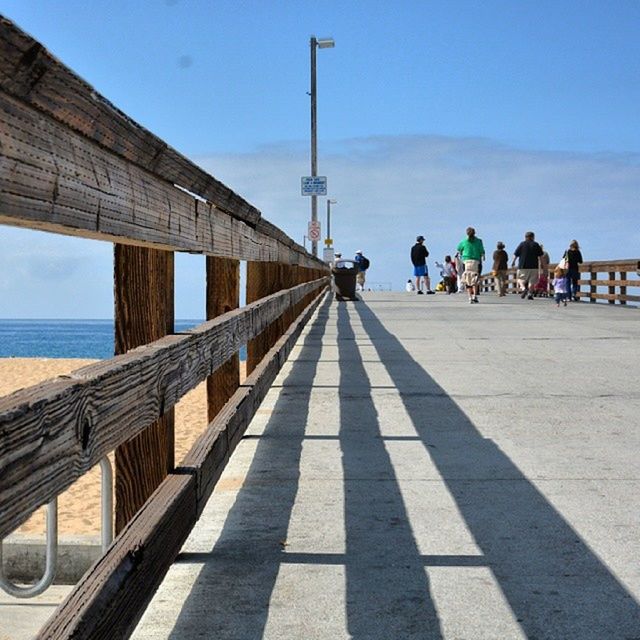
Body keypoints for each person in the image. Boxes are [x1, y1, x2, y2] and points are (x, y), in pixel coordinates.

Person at [456, 227, 485, 303]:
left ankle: (469, 297)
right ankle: (475, 296)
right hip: (476, 261)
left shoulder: (464, 241)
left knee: (467, 279)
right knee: (475, 279)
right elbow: (482, 251)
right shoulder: (479, 241)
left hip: (466, 261)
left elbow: (458, 249)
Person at [512, 231, 543, 300]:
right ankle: (530, 294)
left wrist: (513, 262)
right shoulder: (536, 244)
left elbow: (515, 255)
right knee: (532, 281)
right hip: (534, 266)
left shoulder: (522, 244)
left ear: (525, 237)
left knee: (520, 279)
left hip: (523, 266)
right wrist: (543, 266)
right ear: (533, 237)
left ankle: (523, 289)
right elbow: (541, 256)